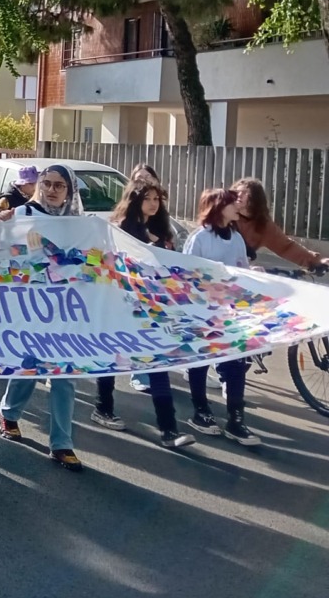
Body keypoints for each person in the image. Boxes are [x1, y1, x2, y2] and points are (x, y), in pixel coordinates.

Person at [0, 165, 87, 471]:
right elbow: (2, 248)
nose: (50, 190)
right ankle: (9, 412)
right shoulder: (23, 215)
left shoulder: (80, 225)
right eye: (46, 183)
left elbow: (90, 260)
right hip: (32, 307)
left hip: (67, 310)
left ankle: (62, 443)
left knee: (64, 376)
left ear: (70, 190)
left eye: (59, 185)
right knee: (29, 365)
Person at [93, 182, 195, 447]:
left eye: (157, 199)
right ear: (134, 200)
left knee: (157, 364)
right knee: (112, 358)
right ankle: (103, 408)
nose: (153, 203)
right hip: (121, 305)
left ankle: (168, 429)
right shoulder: (119, 230)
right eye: (147, 198)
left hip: (152, 307)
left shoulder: (163, 231)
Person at [183, 188, 260, 446]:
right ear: (218, 207)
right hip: (203, 311)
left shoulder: (237, 238)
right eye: (231, 203)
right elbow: (186, 274)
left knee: (236, 363)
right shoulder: (200, 239)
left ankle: (236, 419)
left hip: (230, 312)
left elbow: (242, 271)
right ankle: (200, 412)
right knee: (201, 361)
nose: (237, 206)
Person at [232, 177, 329, 272]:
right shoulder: (224, 211)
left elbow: (286, 247)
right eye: (237, 192)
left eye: (245, 193)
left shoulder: (263, 225)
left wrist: (316, 261)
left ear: (255, 198)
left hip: (237, 271)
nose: (239, 195)